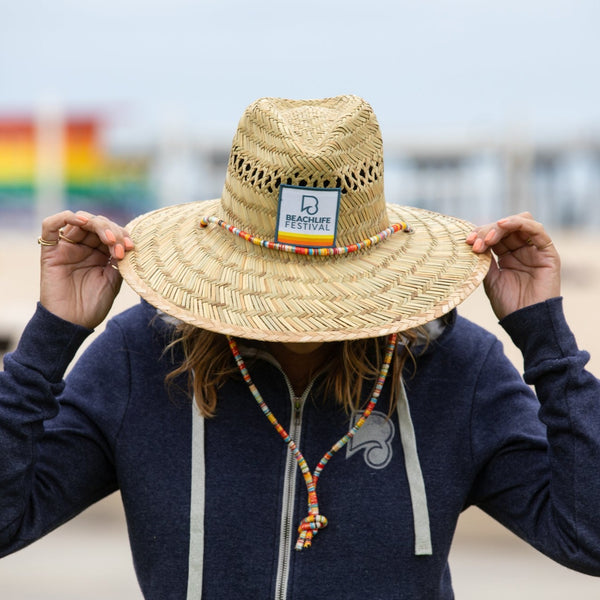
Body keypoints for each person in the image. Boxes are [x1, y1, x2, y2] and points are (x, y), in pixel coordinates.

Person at [1, 95, 599, 600]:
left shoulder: (457, 368)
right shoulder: (142, 357)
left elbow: (588, 537)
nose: (301, 310)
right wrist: (51, 339)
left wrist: (545, 339)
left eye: (321, 284)